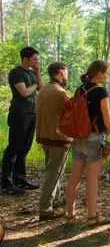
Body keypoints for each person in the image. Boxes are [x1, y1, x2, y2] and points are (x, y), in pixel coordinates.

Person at [65, 60, 110, 226]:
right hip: (94, 136)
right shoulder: (101, 91)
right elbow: (107, 117)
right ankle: (92, 216)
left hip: (78, 136)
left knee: (75, 177)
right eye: (106, 72)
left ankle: (70, 214)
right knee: (92, 178)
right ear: (99, 72)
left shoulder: (80, 88)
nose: (107, 75)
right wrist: (108, 132)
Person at [2, 46, 44, 194]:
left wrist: (38, 74)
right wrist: (35, 84)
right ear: (25, 58)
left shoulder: (33, 73)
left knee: (25, 147)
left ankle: (20, 179)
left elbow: (42, 89)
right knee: (14, 147)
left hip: (32, 113)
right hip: (19, 113)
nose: (36, 62)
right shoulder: (16, 72)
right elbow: (24, 92)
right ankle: (6, 182)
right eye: (34, 59)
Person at [36, 62, 71, 221]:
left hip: (45, 136)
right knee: (54, 173)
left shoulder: (43, 89)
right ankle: (45, 209)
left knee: (53, 171)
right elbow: (74, 115)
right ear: (62, 73)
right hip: (58, 137)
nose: (67, 76)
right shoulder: (60, 92)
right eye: (67, 73)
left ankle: (53, 201)